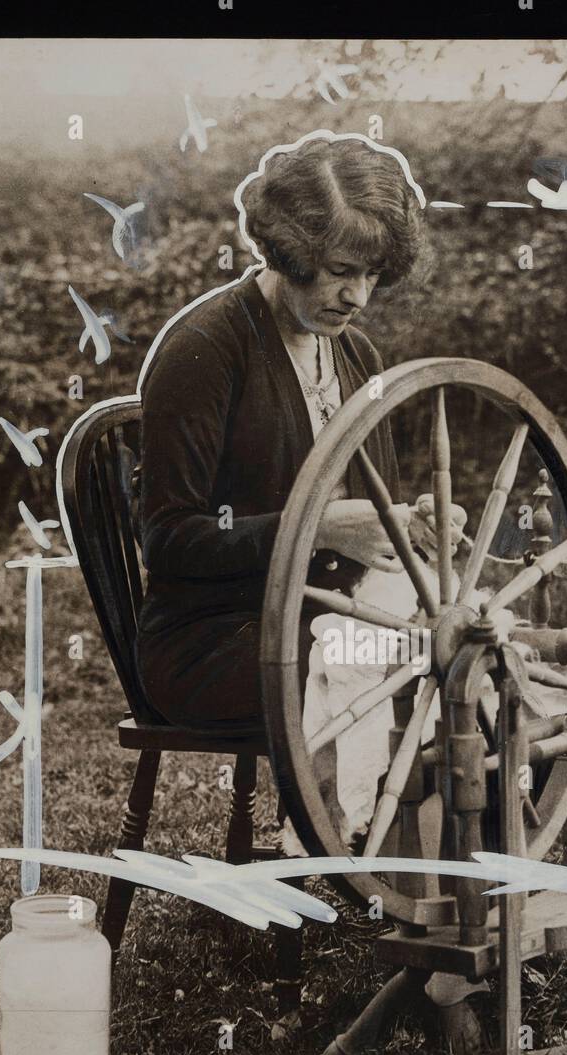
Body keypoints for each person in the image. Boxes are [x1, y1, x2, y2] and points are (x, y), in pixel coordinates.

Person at [134, 135, 440, 731]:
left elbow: (372, 515)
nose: (357, 296)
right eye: (340, 272)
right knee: (408, 664)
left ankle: (426, 825)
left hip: (334, 615)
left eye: (373, 275)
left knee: (466, 650)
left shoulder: (357, 356)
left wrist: (413, 530)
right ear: (290, 254)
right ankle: (355, 825)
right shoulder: (206, 350)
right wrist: (315, 528)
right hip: (218, 639)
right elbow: (168, 540)